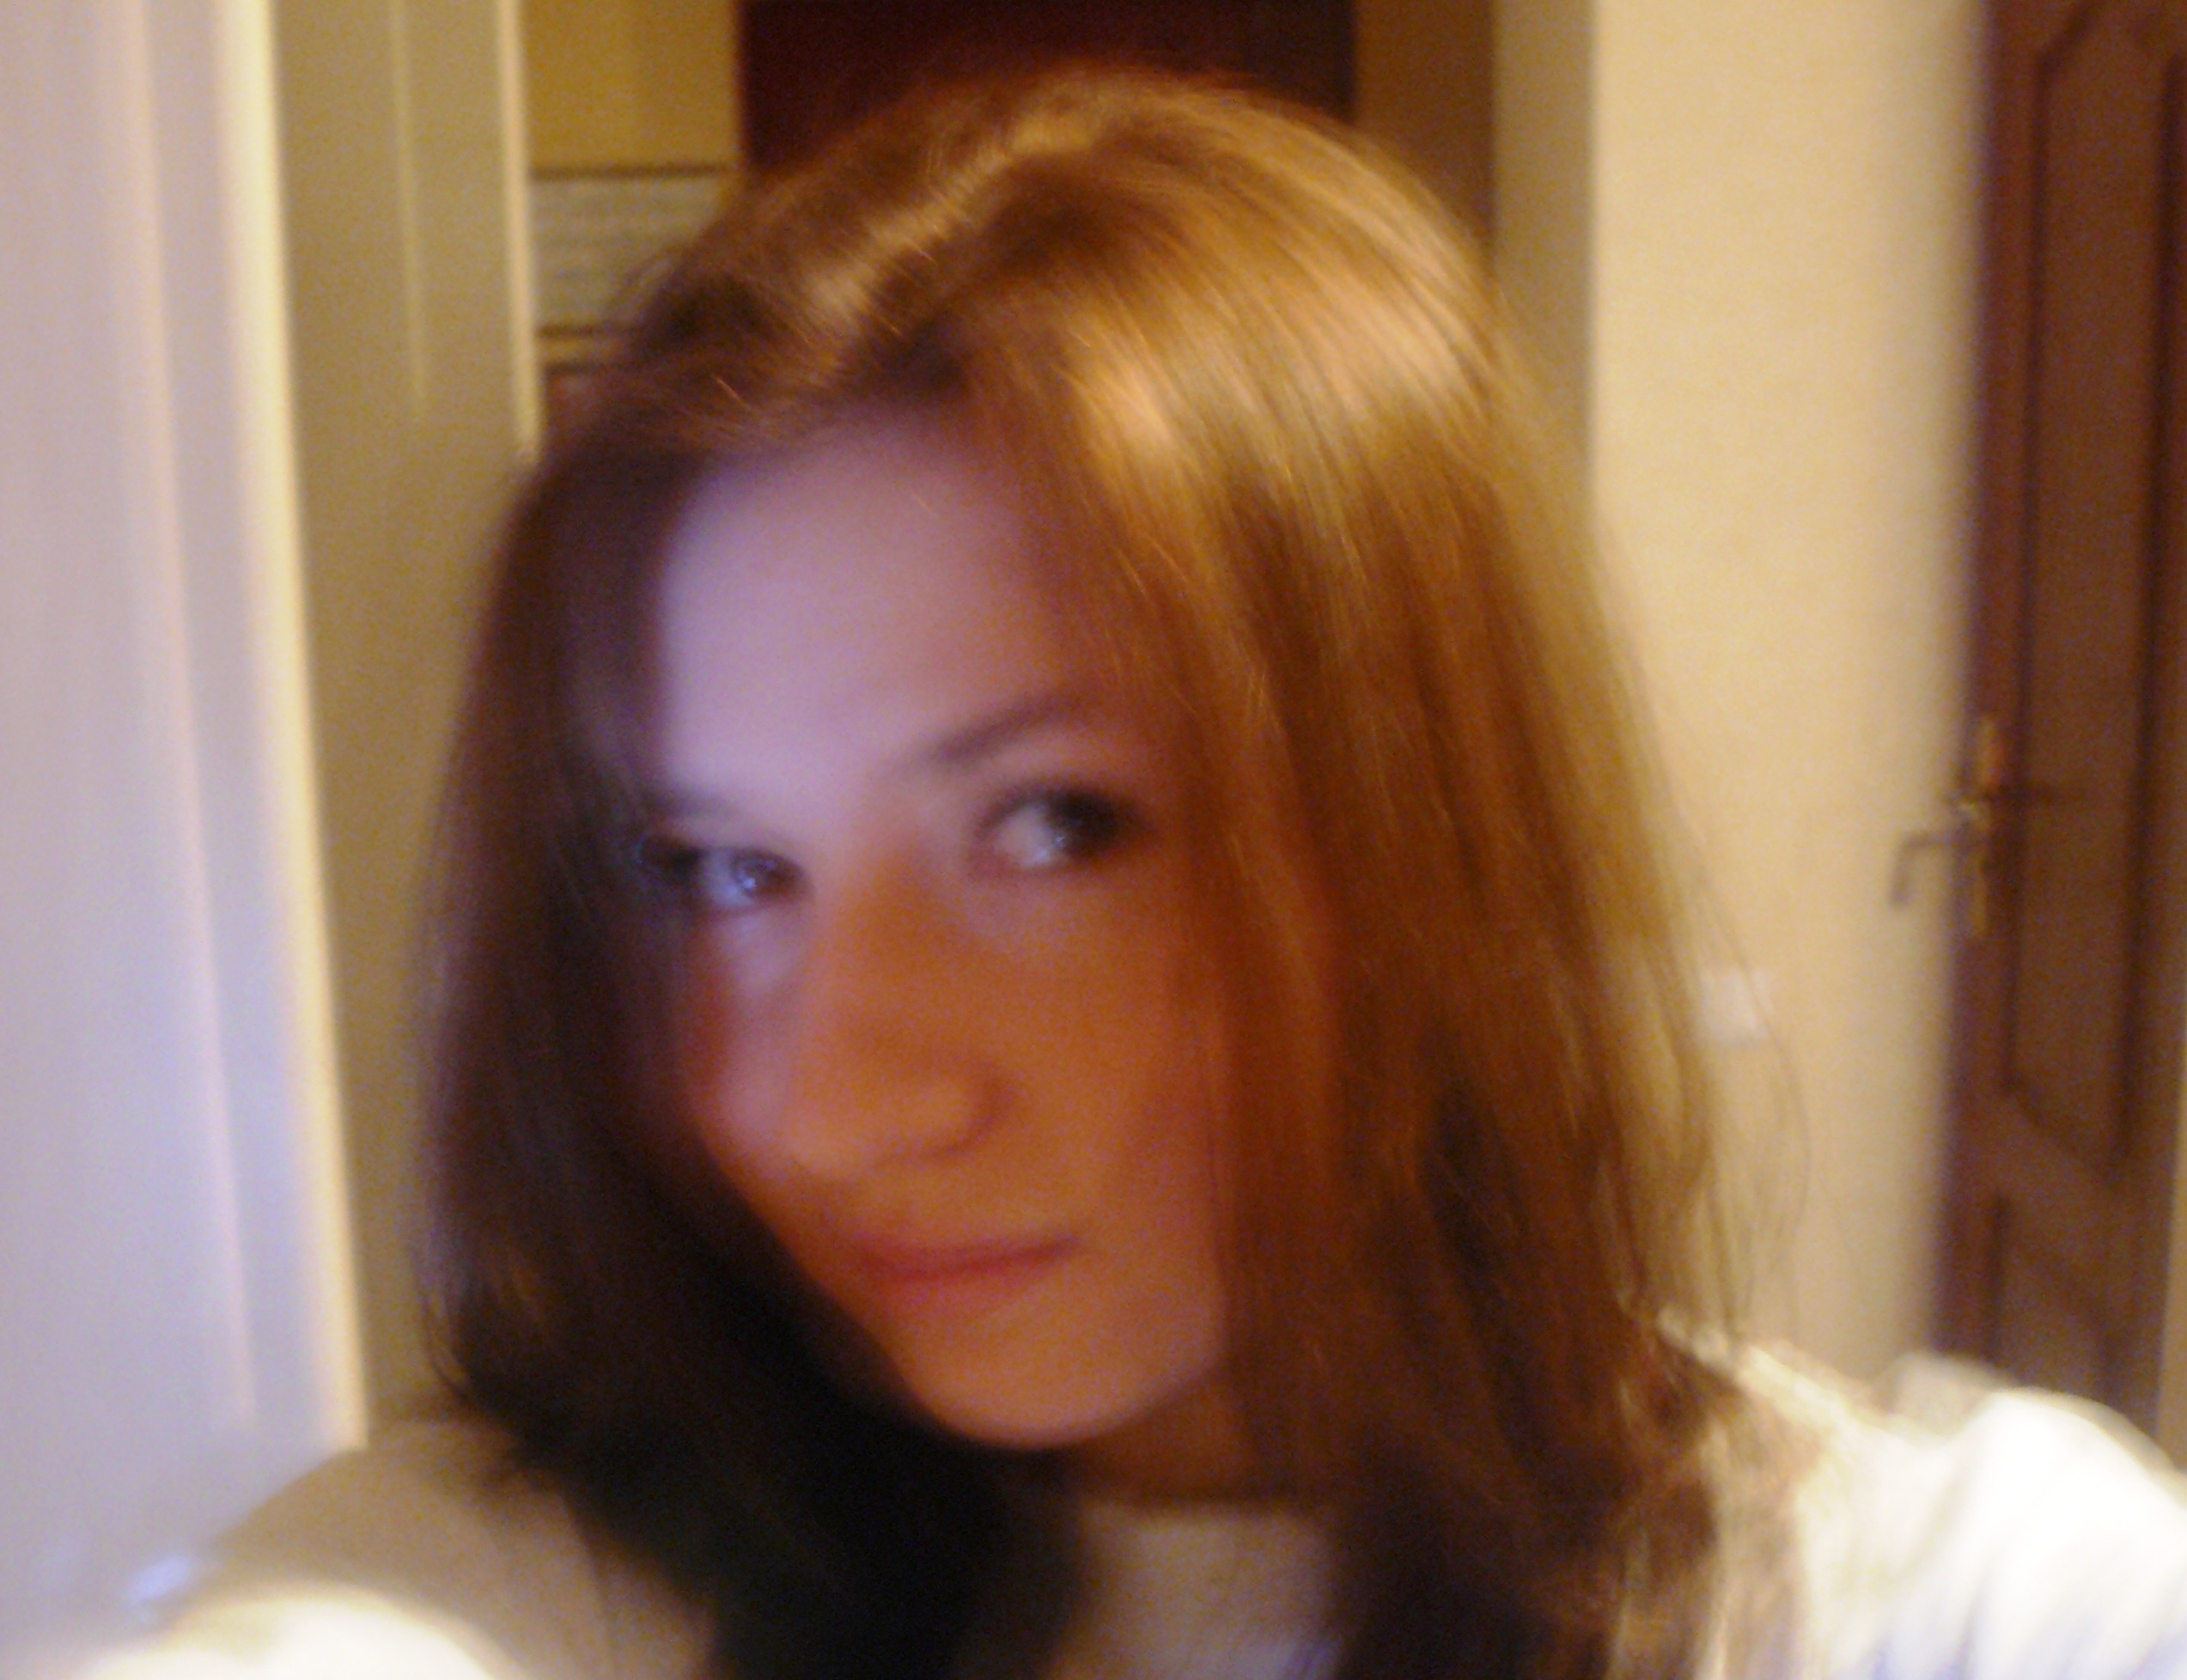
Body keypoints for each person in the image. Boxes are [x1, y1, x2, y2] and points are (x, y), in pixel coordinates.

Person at [88, 67, 2187, 1680]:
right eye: (714, 868)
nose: (830, 1101)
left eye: (1056, 826)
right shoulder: (522, 1589)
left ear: (1430, 845)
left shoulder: (1936, 1600)